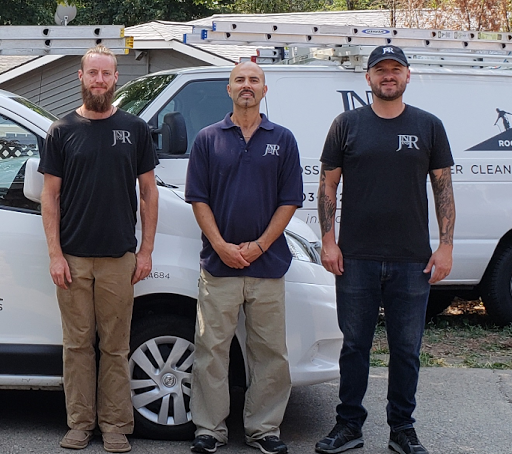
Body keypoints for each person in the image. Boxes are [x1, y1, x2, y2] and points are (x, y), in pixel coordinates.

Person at [315, 45, 455, 454]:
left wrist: (445, 246)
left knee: (406, 349)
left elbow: (443, 187)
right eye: (381, 70)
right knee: (354, 345)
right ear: (369, 78)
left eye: (396, 70)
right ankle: (348, 426)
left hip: (412, 259)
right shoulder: (347, 124)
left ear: (408, 76)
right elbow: (327, 185)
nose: (388, 76)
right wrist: (328, 240)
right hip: (355, 257)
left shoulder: (429, 126)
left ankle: (402, 430)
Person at [39, 45, 159, 453]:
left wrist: (146, 251)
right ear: (81, 76)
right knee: (76, 345)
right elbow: (49, 197)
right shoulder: (61, 131)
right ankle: (79, 424)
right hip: (73, 257)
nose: (100, 81)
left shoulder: (135, 129)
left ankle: (114, 425)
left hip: (119, 257)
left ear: (115, 78)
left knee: (115, 345)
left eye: (107, 74)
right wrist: (55, 254)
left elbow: (148, 193)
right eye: (93, 73)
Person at [185, 61, 303, 454]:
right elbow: (198, 199)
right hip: (219, 266)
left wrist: (260, 245)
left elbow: (289, 201)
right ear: (229, 89)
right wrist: (220, 245)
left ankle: (264, 430)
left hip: (267, 266)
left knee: (269, 353)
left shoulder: (283, 139)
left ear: (265, 90)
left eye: (254, 80)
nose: (247, 86)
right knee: (210, 350)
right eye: (240, 80)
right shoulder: (207, 139)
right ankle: (208, 429)